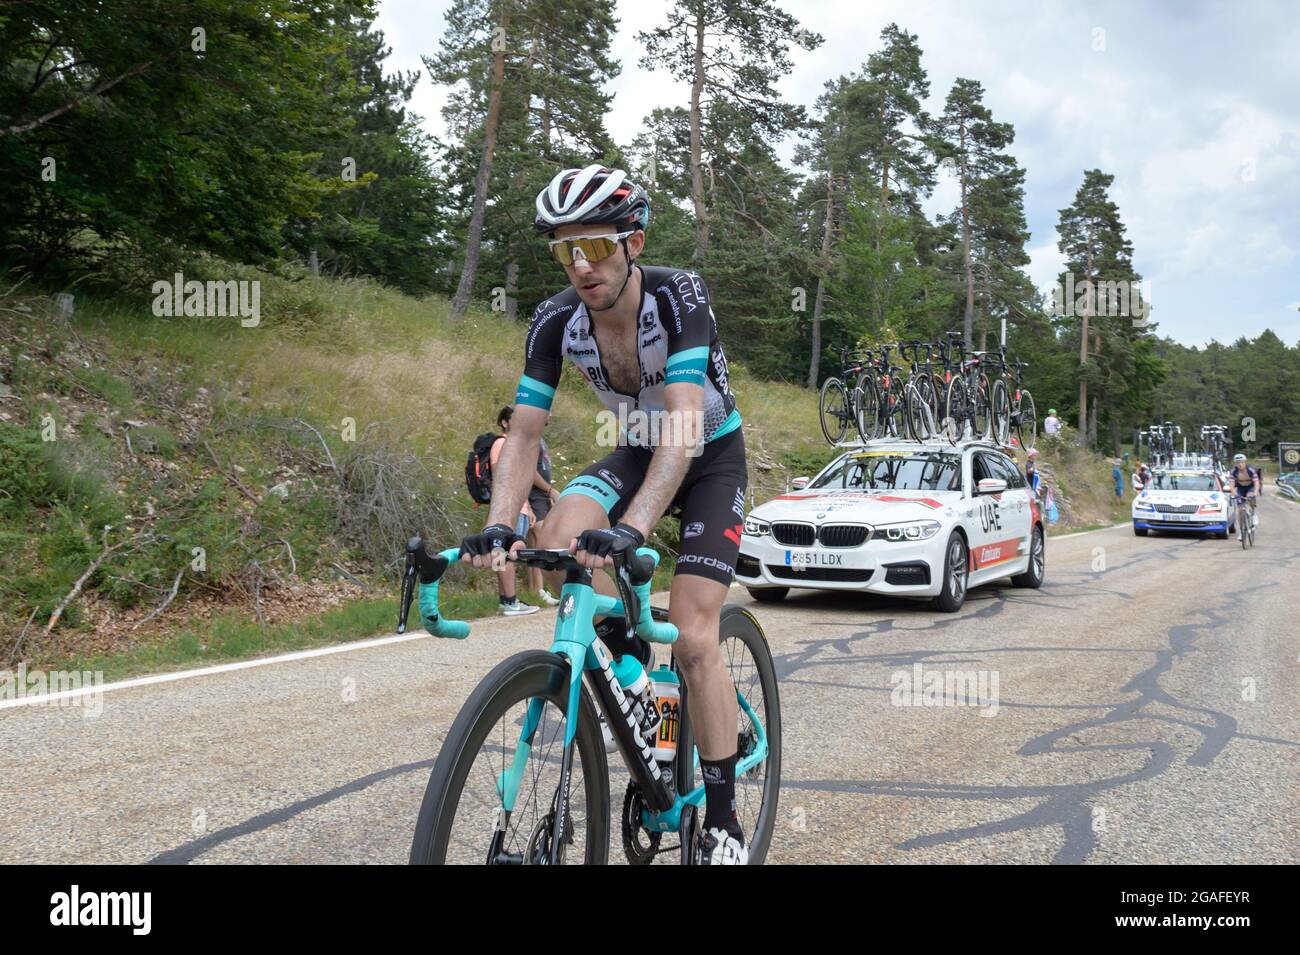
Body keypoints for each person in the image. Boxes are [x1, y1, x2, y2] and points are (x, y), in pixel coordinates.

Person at [459, 165, 750, 864]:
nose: (581, 265)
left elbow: (683, 427)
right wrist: (504, 524)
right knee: (556, 540)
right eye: (565, 251)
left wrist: (632, 530)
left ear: (634, 241)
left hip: (706, 453)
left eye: (594, 245)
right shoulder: (557, 318)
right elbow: (524, 433)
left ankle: (720, 817)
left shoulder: (679, 297)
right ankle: (626, 655)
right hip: (636, 449)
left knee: (694, 629)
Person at [487, 406, 543, 616]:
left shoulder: (509, 445)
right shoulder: (502, 444)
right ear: (505, 422)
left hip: (516, 506)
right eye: (515, 419)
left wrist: (526, 506)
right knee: (505, 554)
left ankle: (507, 600)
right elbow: (501, 476)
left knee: (503, 553)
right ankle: (510, 601)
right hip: (509, 508)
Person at [1228, 453, 1261, 538]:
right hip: (1240, 488)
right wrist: (1234, 494)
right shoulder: (1233, 471)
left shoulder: (1251, 470)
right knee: (1240, 510)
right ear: (1236, 464)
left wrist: (1256, 492)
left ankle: (1254, 515)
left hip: (1250, 487)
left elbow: (1256, 482)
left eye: (1242, 462)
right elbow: (1231, 485)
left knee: (1250, 497)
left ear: (1245, 462)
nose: (1240, 464)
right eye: (1238, 462)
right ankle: (1242, 532)